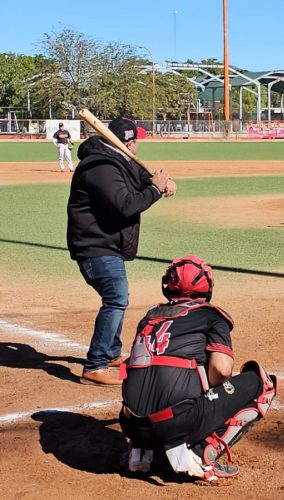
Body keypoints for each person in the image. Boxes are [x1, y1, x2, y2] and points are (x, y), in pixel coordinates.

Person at [118, 255, 277, 481]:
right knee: (261, 383)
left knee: (157, 371)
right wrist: (208, 394)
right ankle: (202, 454)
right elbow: (220, 371)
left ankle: (142, 450)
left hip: (131, 424)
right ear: (208, 288)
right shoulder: (211, 315)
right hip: (175, 423)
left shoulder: (150, 317)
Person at [67, 117, 177, 386]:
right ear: (128, 141)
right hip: (95, 245)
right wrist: (154, 190)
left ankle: (111, 353)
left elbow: (144, 180)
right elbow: (126, 205)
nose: (138, 143)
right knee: (115, 298)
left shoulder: (119, 161)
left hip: (107, 243)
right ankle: (95, 365)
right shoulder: (99, 166)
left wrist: (163, 183)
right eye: (136, 139)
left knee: (118, 296)